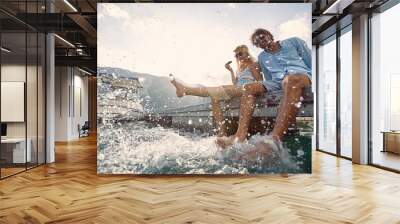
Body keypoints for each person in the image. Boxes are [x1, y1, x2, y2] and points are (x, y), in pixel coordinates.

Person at [216, 28, 312, 148]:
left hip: (302, 76)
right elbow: (268, 78)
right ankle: (239, 135)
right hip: (277, 82)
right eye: (258, 42)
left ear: (269, 35)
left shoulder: (294, 41)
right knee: (248, 87)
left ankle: (274, 139)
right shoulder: (262, 57)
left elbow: (311, 62)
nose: (261, 42)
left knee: (290, 80)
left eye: (262, 37)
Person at [170, 45, 263, 137]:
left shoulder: (252, 64)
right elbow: (235, 83)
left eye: (240, 54)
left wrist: (254, 93)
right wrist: (230, 70)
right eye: (236, 55)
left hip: (247, 89)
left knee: (218, 89)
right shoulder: (239, 69)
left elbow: (260, 82)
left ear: (247, 53)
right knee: (215, 97)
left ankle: (185, 90)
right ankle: (221, 131)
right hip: (237, 90)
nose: (238, 57)